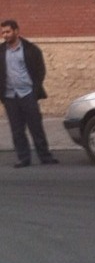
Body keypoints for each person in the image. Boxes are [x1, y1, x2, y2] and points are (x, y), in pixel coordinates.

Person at [0, 19, 59, 168]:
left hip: (27, 94)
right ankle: (23, 158)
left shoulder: (31, 49)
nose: (5, 35)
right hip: (10, 96)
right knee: (17, 130)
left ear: (16, 31)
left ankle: (45, 156)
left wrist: (35, 89)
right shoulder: (1, 51)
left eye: (8, 31)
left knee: (36, 127)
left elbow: (40, 70)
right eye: (3, 32)